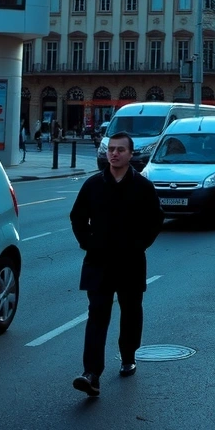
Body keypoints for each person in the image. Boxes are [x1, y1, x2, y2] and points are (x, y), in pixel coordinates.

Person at [68, 130, 164, 398]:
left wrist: (140, 244)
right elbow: (77, 217)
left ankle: (128, 355)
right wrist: (88, 242)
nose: (114, 153)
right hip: (99, 262)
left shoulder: (143, 187)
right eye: (111, 149)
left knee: (131, 311)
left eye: (121, 149)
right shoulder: (93, 185)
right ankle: (91, 374)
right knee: (97, 314)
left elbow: (156, 219)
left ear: (131, 155)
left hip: (131, 262)